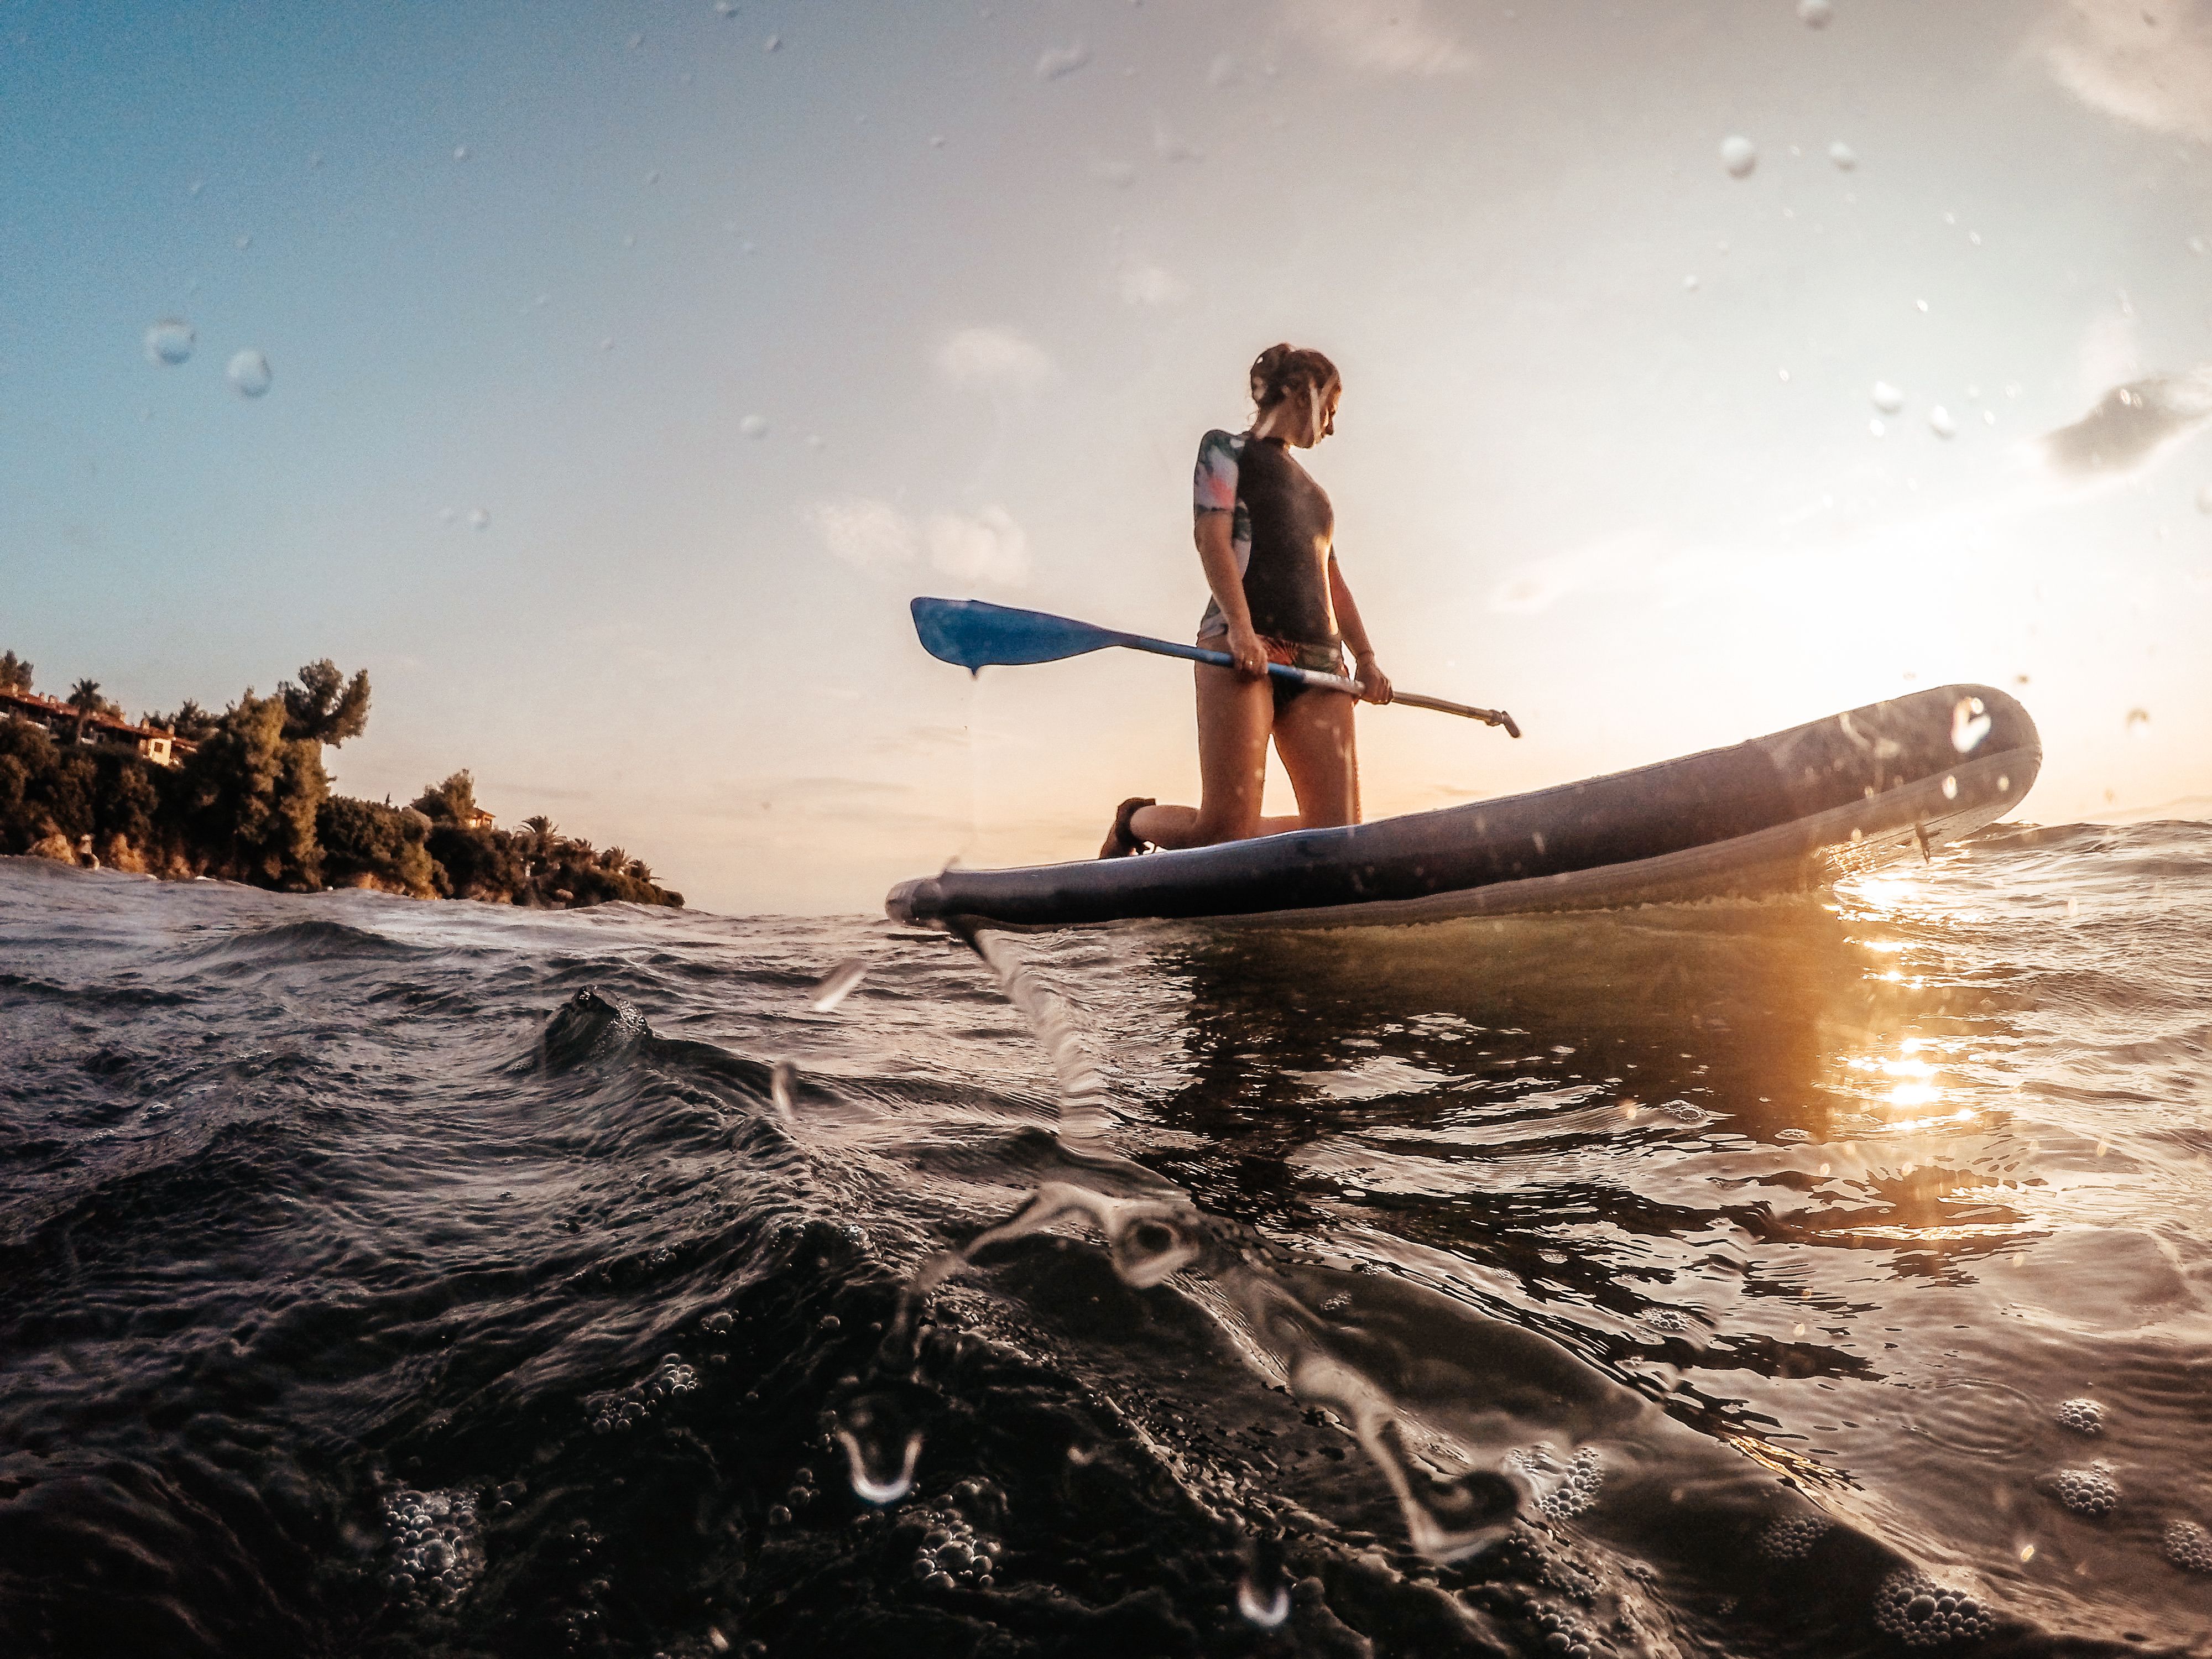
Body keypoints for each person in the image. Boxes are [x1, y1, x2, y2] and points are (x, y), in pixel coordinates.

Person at [1099, 343, 1392, 857]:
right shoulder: (1225, 449)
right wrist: (1239, 627)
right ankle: (1134, 822)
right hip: (1241, 646)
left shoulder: (1317, 495)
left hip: (1322, 663)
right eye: (1331, 411)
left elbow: (1333, 580)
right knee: (1223, 833)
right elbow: (1211, 536)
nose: (1331, 428)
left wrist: (1366, 659)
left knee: (1339, 838)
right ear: (1307, 391)